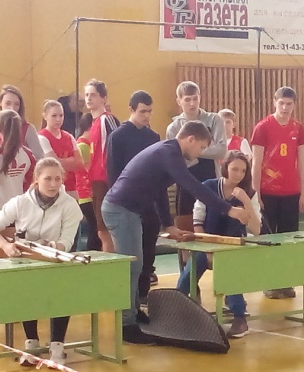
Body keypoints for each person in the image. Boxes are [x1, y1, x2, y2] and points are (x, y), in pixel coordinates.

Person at [101, 121, 249, 344]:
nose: (200, 153)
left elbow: (159, 190)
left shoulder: (169, 152)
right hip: (121, 209)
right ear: (190, 139)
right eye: (201, 147)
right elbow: (192, 185)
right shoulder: (169, 153)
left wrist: (168, 224)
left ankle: (133, 312)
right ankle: (126, 324)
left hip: (129, 210)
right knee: (132, 266)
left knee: (136, 265)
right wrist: (229, 209)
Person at [0, 157, 83, 366]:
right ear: (36, 179)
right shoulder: (19, 202)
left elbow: (66, 242)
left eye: (58, 179)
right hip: (25, 264)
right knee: (26, 294)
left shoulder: (70, 206)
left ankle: (57, 347)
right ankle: (31, 345)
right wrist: (6, 246)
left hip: (56, 263)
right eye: (48, 179)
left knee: (61, 295)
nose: (53, 184)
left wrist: (48, 248)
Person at [176, 151, 261, 337]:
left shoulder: (249, 193)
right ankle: (173, 307)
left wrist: (246, 201)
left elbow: (256, 229)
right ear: (225, 168)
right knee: (191, 269)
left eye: (243, 171)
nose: (238, 174)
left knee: (228, 268)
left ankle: (240, 318)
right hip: (207, 243)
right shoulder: (209, 187)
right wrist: (207, 249)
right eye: (234, 169)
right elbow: (198, 221)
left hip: (234, 247)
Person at [251, 86, 304, 299]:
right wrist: (256, 194)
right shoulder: (263, 127)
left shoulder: (298, 129)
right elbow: (256, 163)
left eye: (289, 104)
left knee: (289, 238)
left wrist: (303, 193)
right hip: (268, 192)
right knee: (269, 238)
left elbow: (301, 162)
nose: (285, 107)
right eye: (281, 103)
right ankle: (269, 281)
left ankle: (285, 281)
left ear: (294, 105)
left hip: (291, 192)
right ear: (274, 102)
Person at [165, 81, 227, 269]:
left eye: (195, 98)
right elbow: (176, 160)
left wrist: (193, 150)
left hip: (212, 182)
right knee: (185, 233)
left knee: (214, 230)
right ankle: (187, 277)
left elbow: (221, 151)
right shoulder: (174, 128)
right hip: (185, 186)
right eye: (187, 99)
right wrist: (206, 149)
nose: (192, 103)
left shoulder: (214, 120)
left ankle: (219, 275)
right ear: (179, 101)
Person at [107, 91, 161, 301]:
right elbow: (113, 173)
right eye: (142, 111)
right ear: (131, 109)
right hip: (126, 205)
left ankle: (143, 295)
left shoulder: (153, 137)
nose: (146, 116)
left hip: (147, 204)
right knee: (131, 256)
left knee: (148, 254)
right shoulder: (118, 136)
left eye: (149, 111)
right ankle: (128, 299)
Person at [85, 79, 121, 253]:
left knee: (107, 232)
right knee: (102, 232)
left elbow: (118, 146)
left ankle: (114, 265)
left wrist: (113, 181)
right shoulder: (93, 123)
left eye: (93, 95)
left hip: (106, 181)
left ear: (104, 98)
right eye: (86, 95)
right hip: (95, 181)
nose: (89, 98)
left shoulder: (107, 119)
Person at [38, 100, 84, 200]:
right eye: (54, 116)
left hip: (71, 188)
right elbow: (54, 164)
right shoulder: (42, 137)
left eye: (61, 115)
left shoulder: (69, 136)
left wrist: (62, 161)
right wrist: (71, 160)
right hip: (52, 189)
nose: (58, 119)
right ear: (45, 116)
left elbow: (79, 163)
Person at [0, 85, 44, 161]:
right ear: (0, 103)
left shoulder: (28, 129)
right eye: (8, 103)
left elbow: (39, 158)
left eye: (16, 104)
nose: (12, 108)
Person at [75, 113, 102, 251]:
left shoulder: (86, 144)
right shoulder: (83, 146)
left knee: (96, 226)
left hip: (87, 192)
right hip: (86, 193)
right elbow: (87, 169)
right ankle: (93, 252)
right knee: (95, 226)